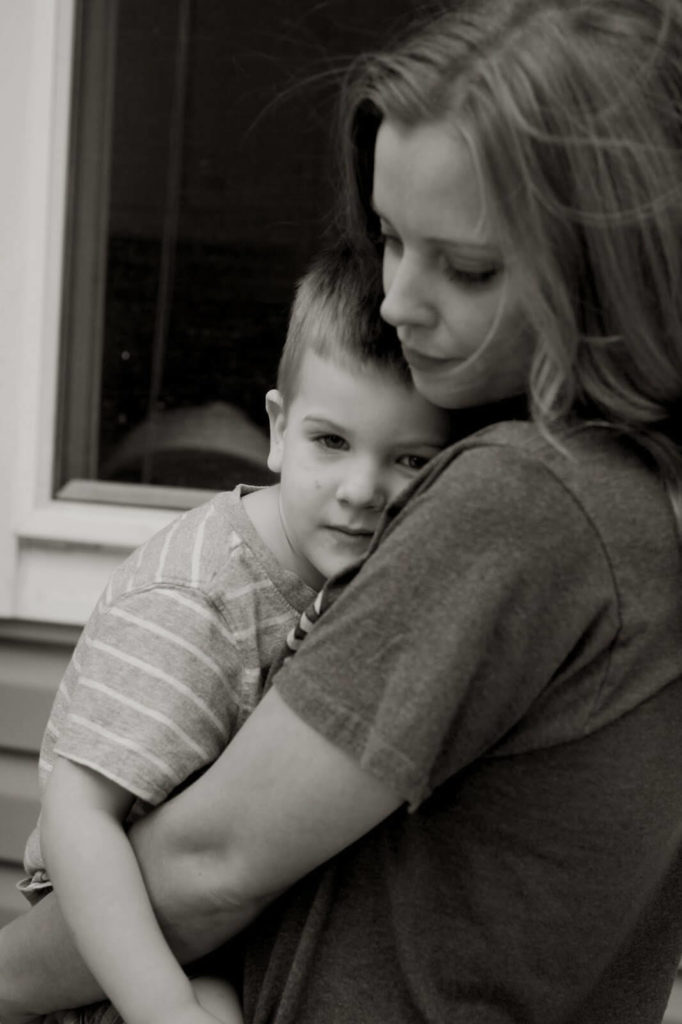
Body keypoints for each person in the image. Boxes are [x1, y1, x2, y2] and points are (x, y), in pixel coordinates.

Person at [2, 0, 682, 1021]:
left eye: (467, 266)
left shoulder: (527, 497)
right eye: (388, 236)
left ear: (610, 264)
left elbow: (212, 862)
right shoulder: (637, 491)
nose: (398, 298)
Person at [5, 241, 452, 1024]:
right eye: (332, 442)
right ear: (278, 430)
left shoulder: (370, 576)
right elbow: (78, 813)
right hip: (124, 935)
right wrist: (163, 1004)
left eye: (410, 459)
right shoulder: (198, 596)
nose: (362, 491)